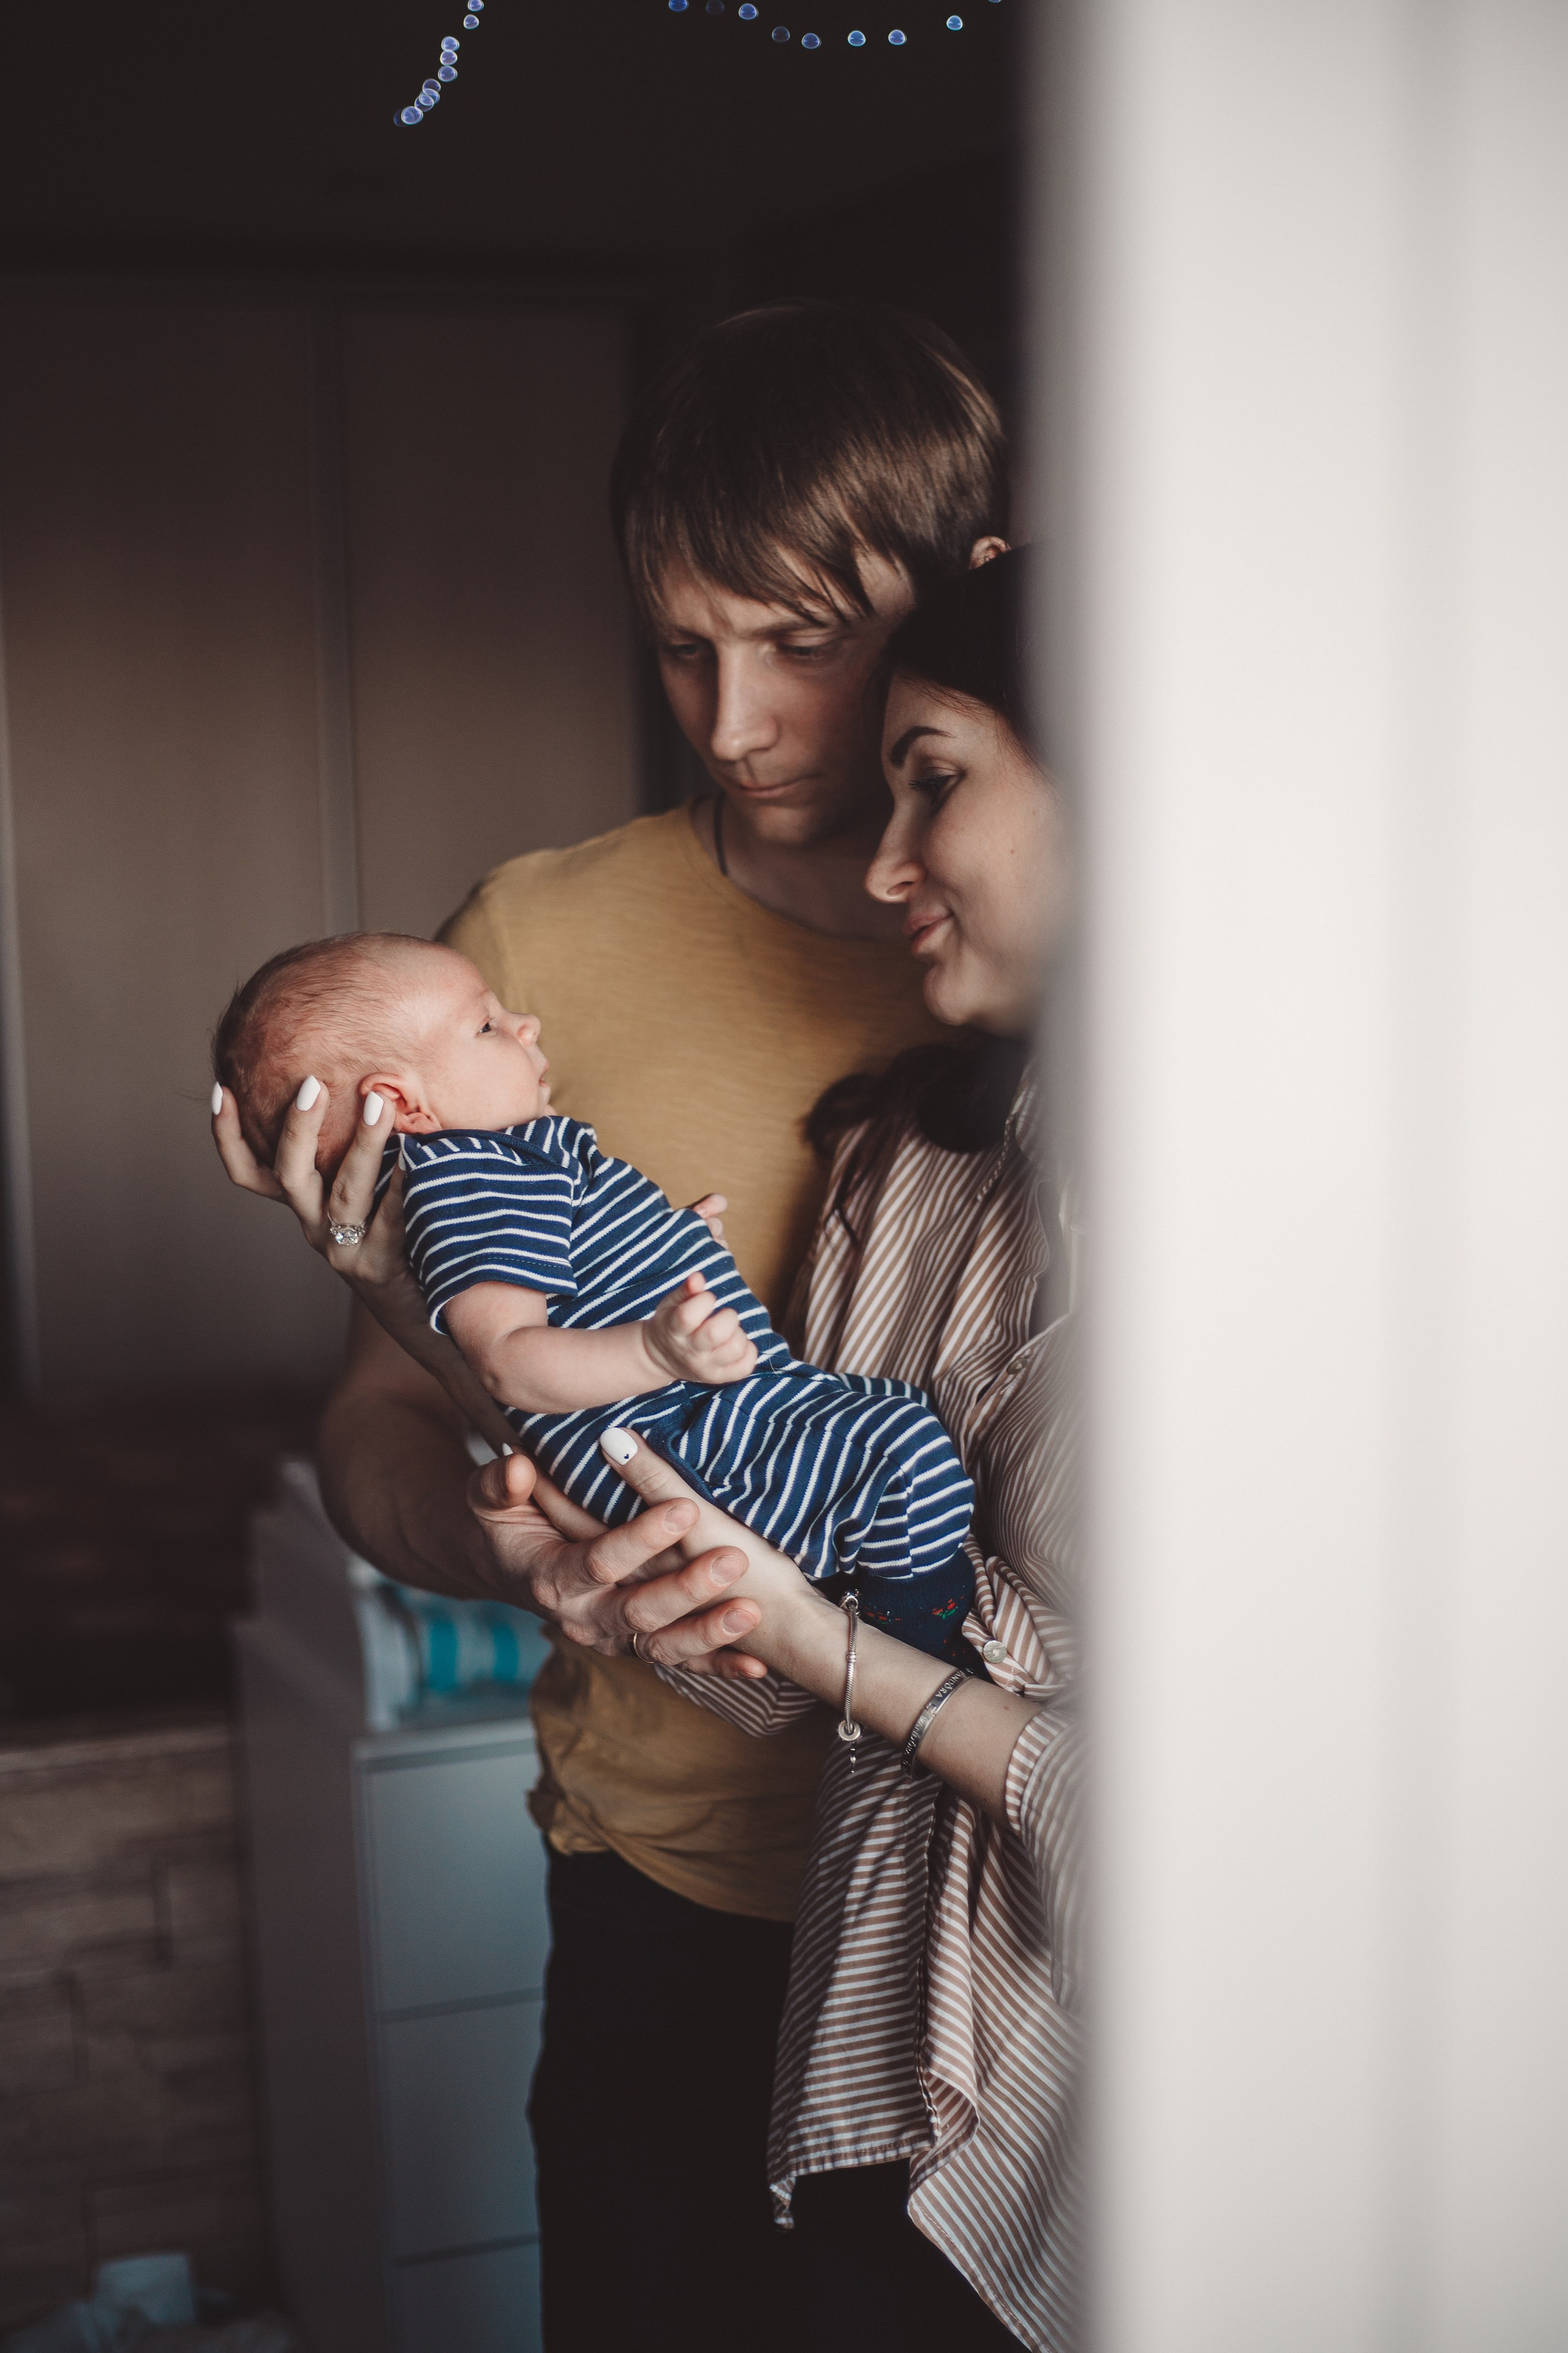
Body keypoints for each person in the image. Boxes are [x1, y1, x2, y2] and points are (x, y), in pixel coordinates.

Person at [213, 300, 1009, 2351]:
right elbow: (381, 1418)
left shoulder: (1033, 952)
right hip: (667, 1886)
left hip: (988, 1925)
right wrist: (486, 1542)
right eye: (682, 644)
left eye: (803, 635)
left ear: (968, 589)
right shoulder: (522, 952)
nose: (736, 720)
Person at [582, 550, 1082, 2351]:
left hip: (1150, 2106)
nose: (879, 869)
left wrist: (825, 1643)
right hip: (870, 2050)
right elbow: (800, 1651)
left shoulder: (1362, 1235)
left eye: (931, 775)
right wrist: (648, 1562)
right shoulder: (905, 1166)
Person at [212, 931, 974, 1647]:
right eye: (486, 1025)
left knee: (891, 1436)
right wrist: (656, 1346)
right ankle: (917, 1650)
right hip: (679, 1439)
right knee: (899, 1455)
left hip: (698, 1416)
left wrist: (674, 1248)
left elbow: (583, 1274)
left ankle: (897, 1634)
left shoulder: (503, 1163)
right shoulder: (472, 1178)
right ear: (404, 1103)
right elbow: (508, 1360)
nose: (527, 1023)